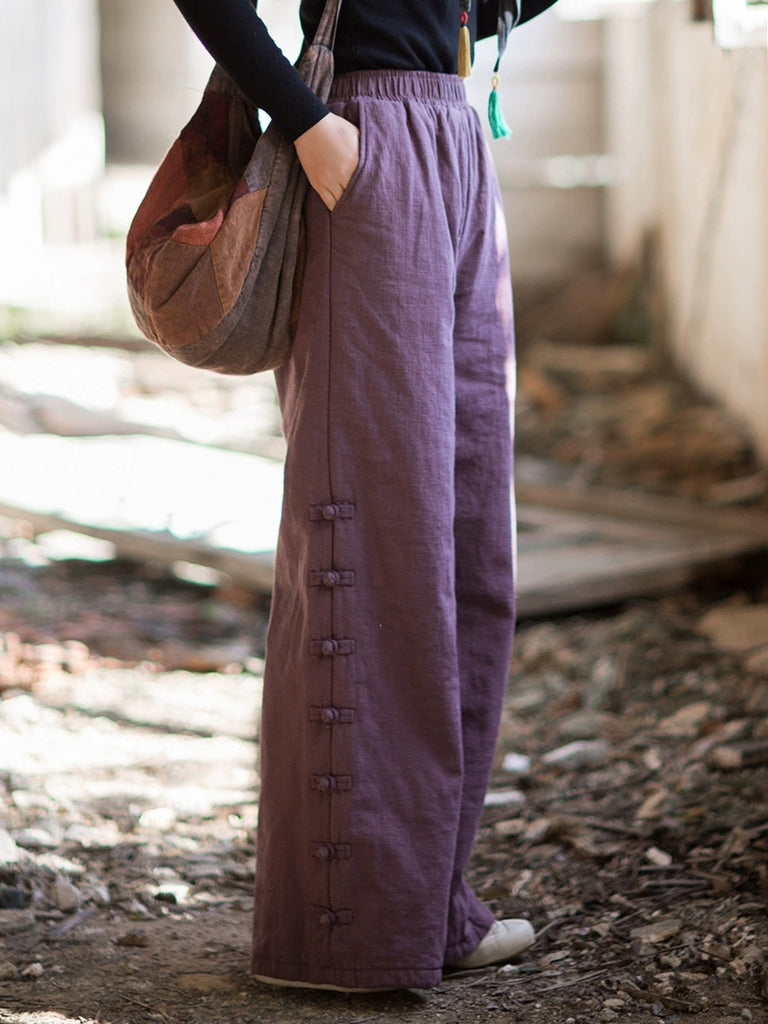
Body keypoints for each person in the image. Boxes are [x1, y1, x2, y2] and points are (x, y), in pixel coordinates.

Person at [172, 0, 557, 993]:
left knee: (469, 546)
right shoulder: (335, 130)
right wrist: (308, 121)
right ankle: (341, 930)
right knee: (375, 537)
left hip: (457, 137)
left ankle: (430, 905)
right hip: (364, 139)